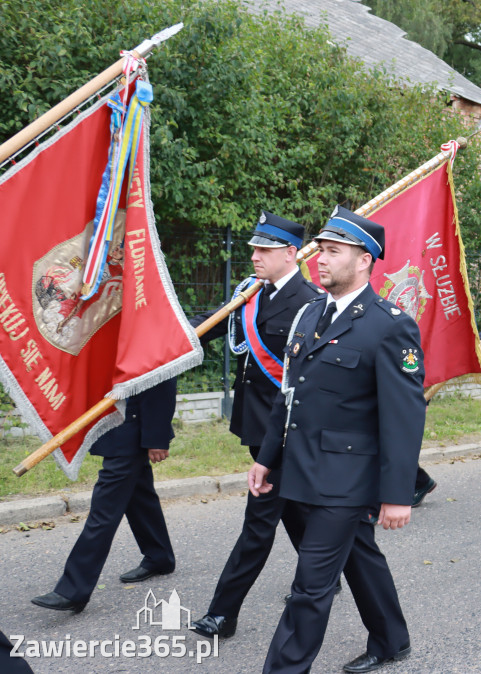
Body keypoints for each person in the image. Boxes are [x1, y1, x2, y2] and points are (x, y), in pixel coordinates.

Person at [249, 206, 425, 673]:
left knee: (310, 586)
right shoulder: (309, 315)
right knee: (359, 556)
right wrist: (267, 458)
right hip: (302, 469)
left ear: (364, 259)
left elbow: (404, 417)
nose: (319, 260)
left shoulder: (389, 325)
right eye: (319, 250)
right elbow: (290, 396)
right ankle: (391, 638)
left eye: (332, 251)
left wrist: (396, 495)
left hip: (347, 479)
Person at [191, 211, 323, 640]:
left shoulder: (311, 302)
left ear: (291, 253)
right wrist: (173, 340)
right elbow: (208, 328)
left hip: (285, 431)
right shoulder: (251, 293)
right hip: (256, 423)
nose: (253, 256)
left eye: (264, 249)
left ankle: (222, 613)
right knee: (297, 511)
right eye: (253, 248)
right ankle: (324, 574)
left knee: (260, 520)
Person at [31, 378, 177, 613]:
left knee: (104, 509)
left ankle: (73, 590)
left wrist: (156, 437)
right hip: (117, 421)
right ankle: (160, 557)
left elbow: (162, 377)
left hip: (134, 425)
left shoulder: (144, 338)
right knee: (139, 496)